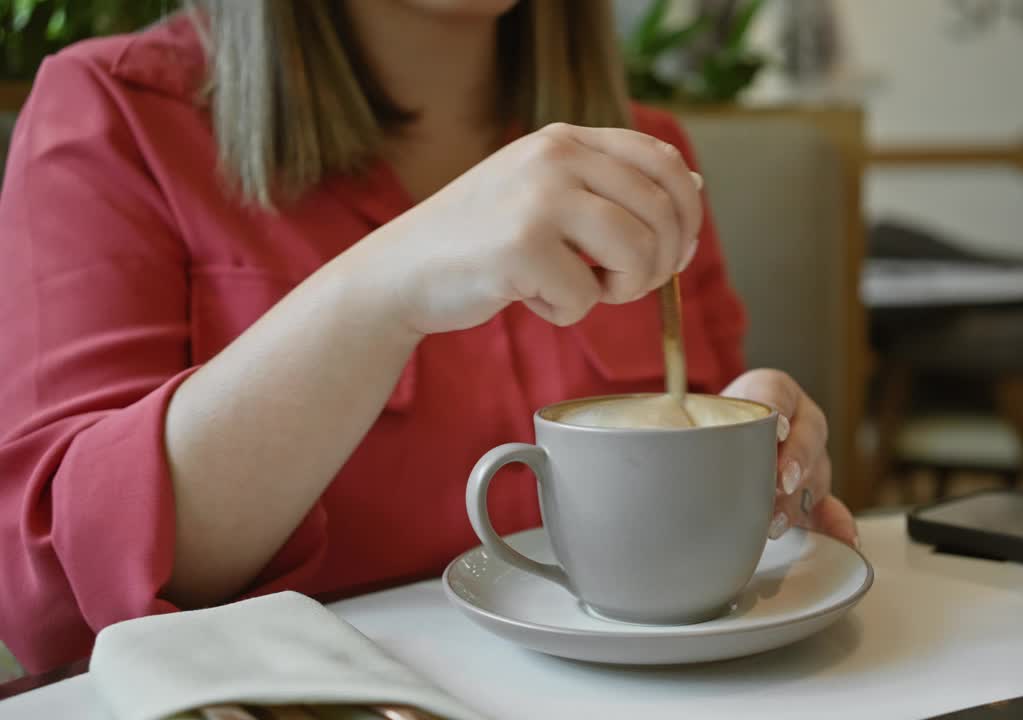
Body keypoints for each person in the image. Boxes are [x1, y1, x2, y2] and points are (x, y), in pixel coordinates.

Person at [0, 0, 857, 674]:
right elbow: (52, 610)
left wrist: (756, 445)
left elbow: (694, 424)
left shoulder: (650, 157)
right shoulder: (117, 113)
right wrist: (385, 285)